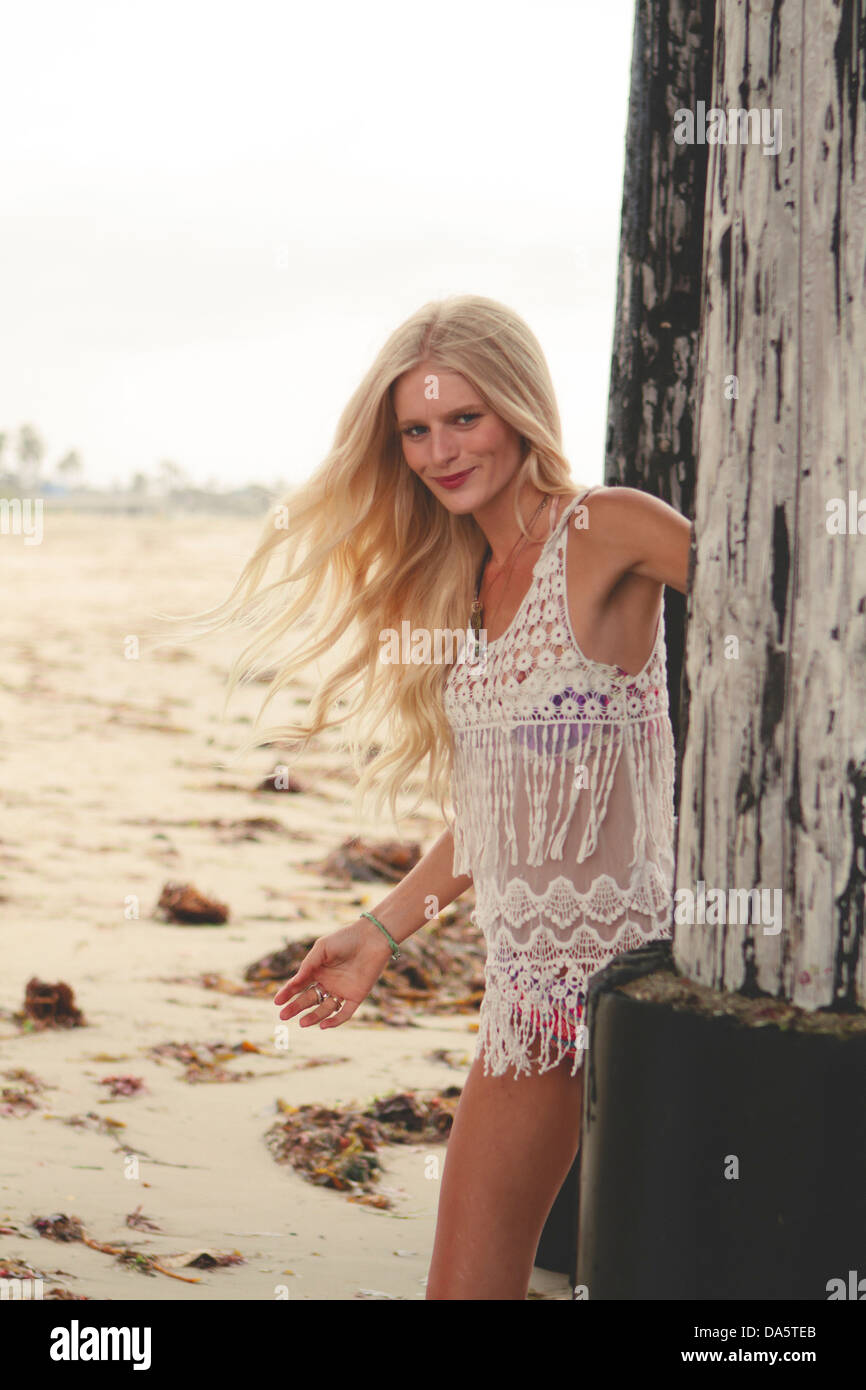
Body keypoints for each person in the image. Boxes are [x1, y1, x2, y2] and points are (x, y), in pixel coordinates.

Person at [169, 293, 691, 1299]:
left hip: (632, 981)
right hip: (530, 1002)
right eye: (415, 430)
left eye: (464, 418)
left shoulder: (607, 527)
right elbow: (501, 812)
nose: (441, 451)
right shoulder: (470, 579)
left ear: (517, 409)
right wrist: (379, 930)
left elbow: (786, 598)